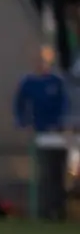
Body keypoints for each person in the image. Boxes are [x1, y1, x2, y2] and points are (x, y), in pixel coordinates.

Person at [14, 45, 71, 219]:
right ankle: (44, 211)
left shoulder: (57, 82)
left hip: (59, 134)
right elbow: (19, 106)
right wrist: (24, 123)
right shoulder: (29, 83)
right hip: (40, 133)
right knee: (44, 172)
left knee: (58, 171)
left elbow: (65, 105)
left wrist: (62, 124)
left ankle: (59, 210)